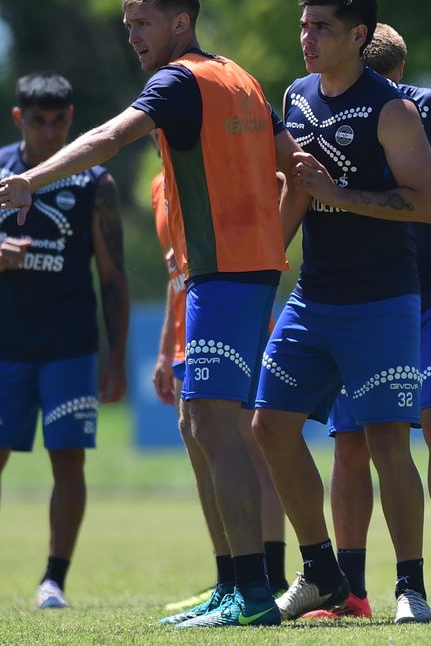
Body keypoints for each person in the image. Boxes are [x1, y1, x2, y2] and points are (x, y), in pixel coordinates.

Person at [0, 0, 295, 628]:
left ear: (180, 24)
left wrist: (31, 180)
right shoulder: (240, 78)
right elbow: (292, 164)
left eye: (142, 24)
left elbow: (108, 137)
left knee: (217, 426)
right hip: (238, 271)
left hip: (224, 273)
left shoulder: (178, 81)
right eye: (129, 24)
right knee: (197, 422)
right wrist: (275, 234)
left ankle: (253, 592)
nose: (131, 36)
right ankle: (231, 583)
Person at [249, 0, 431, 626]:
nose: (307, 38)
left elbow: (427, 204)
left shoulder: (393, 110)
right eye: (304, 25)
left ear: (359, 35)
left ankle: (410, 586)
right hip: (312, 297)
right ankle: (321, 573)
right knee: (269, 426)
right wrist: (261, 266)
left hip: (381, 301)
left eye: (322, 27)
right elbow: (297, 190)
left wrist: (341, 195)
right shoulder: (297, 96)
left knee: (387, 443)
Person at [298, 23, 431, 621]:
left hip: (429, 295)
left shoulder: (422, 107)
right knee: (353, 441)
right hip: (364, 301)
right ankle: (354, 588)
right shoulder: (316, 105)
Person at [0, 73, 128, 613]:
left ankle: (53, 582)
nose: (49, 132)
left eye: (59, 121)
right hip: (4, 348)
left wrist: (116, 358)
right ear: (20, 118)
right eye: (38, 121)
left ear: (71, 119)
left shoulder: (95, 183)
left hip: (71, 348)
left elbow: (113, 278)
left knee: (68, 461)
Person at [147, 159, 291, 613]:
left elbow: (282, 185)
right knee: (202, 452)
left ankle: (270, 575)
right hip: (186, 335)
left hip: (232, 323)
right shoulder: (159, 186)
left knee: (250, 449)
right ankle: (228, 578)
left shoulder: (221, 165)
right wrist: (165, 349)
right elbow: (175, 273)